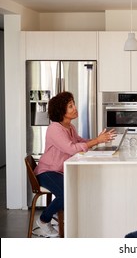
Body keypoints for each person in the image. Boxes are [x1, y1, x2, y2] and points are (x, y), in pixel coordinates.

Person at [34, 91, 116, 237]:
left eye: (74, 104)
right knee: (67, 192)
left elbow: (79, 142)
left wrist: (98, 139)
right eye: (70, 106)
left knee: (75, 189)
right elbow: (71, 148)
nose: (75, 108)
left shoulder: (70, 127)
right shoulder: (55, 129)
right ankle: (43, 220)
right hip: (47, 171)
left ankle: (77, 222)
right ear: (61, 111)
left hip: (60, 170)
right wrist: (97, 141)